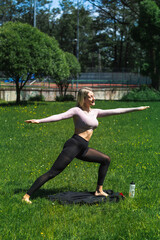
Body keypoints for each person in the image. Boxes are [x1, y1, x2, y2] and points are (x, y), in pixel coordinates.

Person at [22, 88, 149, 203]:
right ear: (83, 99)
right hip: (74, 145)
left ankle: (99, 190)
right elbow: (59, 117)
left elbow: (116, 111)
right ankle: (27, 196)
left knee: (106, 159)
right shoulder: (76, 111)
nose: (93, 98)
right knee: (53, 172)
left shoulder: (95, 112)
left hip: (83, 147)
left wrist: (136, 108)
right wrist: (39, 120)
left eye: (93, 96)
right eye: (90, 97)